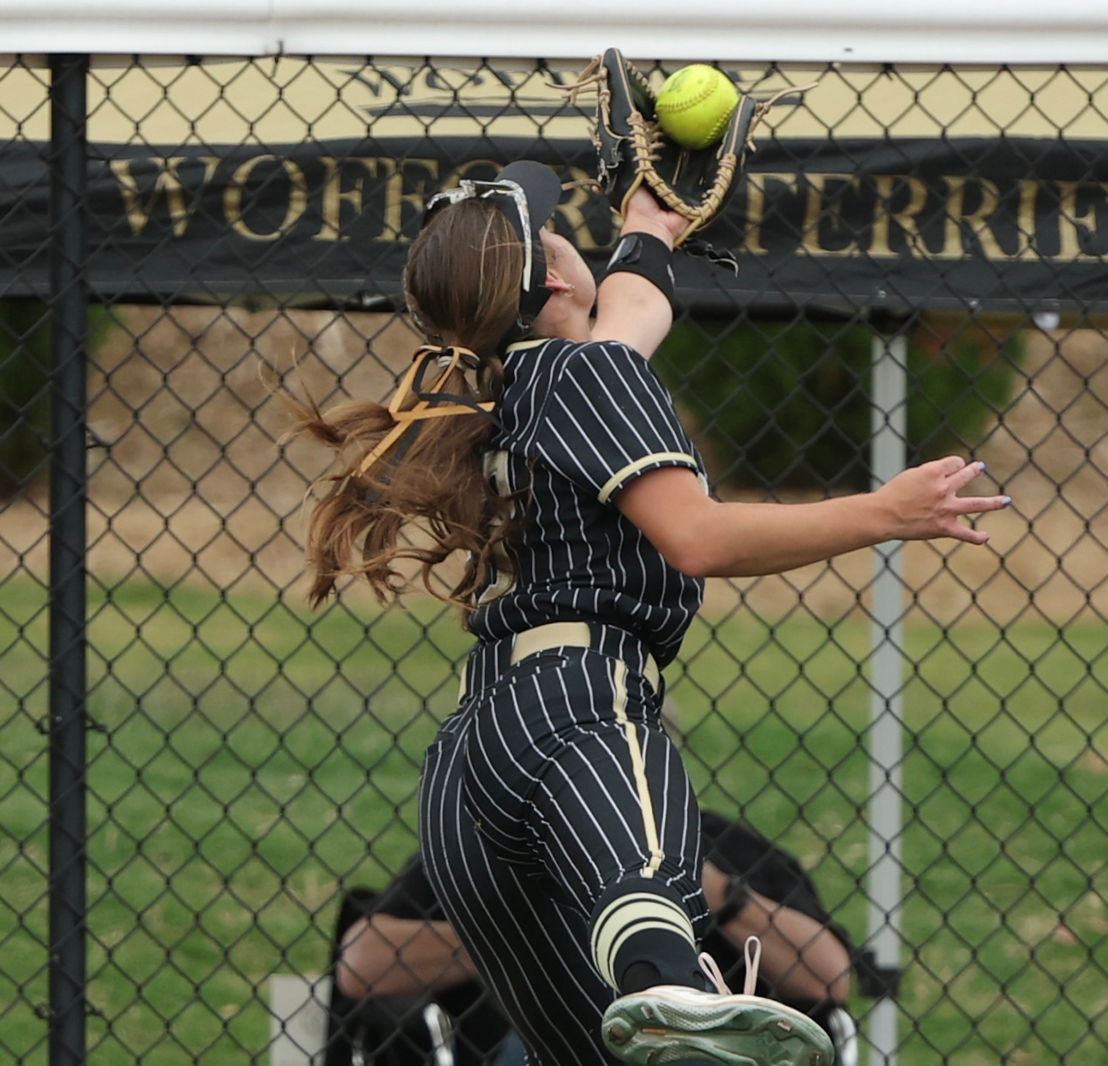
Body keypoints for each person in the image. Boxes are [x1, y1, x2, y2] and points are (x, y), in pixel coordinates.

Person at [290, 160, 1007, 1066]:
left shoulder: (506, 388)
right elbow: (697, 538)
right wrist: (887, 513)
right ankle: (681, 1000)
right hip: (578, 699)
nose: (570, 240)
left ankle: (665, 1009)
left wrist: (650, 226)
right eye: (555, 233)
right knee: (647, 895)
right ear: (554, 279)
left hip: (469, 763)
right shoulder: (591, 376)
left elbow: (631, 314)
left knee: (582, 1050)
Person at [332, 810, 859, 1066]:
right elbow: (363, 964)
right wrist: (515, 931)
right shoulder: (490, 845)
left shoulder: (716, 843)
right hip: (526, 1041)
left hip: (693, 1044)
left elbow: (830, 976)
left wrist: (718, 894)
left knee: (683, 1032)